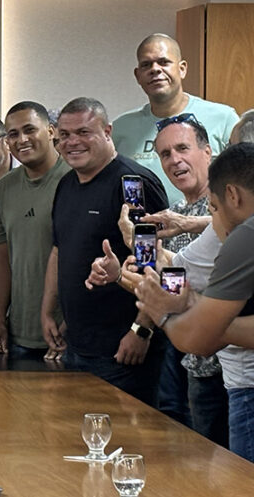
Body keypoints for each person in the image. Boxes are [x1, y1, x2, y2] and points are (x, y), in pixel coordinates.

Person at [41, 97, 168, 406]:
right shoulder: (66, 184)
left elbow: (156, 265)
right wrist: (48, 310)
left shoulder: (132, 184)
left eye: (84, 132)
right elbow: (60, 251)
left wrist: (142, 330)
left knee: (124, 443)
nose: (73, 142)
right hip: (79, 345)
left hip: (123, 348)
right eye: (65, 135)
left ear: (108, 131)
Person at [133, 142, 254, 462]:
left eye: (213, 209)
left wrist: (164, 312)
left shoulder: (246, 237)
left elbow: (197, 339)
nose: (214, 224)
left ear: (233, 195)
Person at [112, 33, 238, 206]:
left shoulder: (224, 119)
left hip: (208, 228)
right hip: (144, 230)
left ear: (182, 69)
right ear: (138, 75)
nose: (155, 69)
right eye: (146, 64)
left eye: (164, 62)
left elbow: (246, 183)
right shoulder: (120, 129)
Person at [0, 102, 70, 359]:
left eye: (29, 130)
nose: (21, 140)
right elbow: (2, 258)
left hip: (66, 335)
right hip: (18, 334)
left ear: (51, 131)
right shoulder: (5, 187)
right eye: (13, 134)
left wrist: (72, 322)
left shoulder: (75, 179)